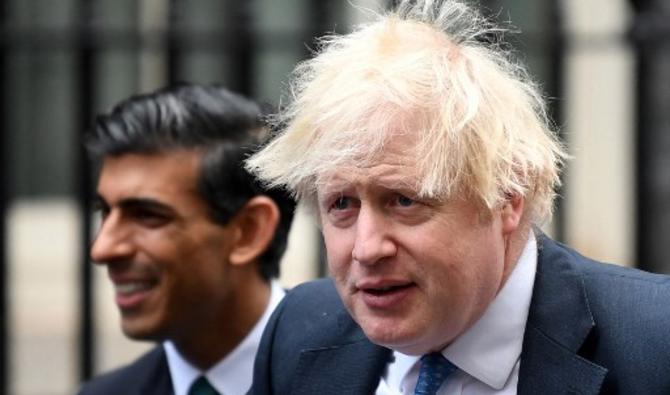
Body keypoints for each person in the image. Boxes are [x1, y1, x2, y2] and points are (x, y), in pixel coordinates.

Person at [244, 0, 670, 394]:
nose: (367, 248)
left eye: (404, 201)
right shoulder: (298, 332)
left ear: (507, 196)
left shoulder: (654, 343)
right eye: (342, 204)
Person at [78, 83, 295, 395]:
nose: (102, 249)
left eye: (146, 215)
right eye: (105, 211)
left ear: (249, 231)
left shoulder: (369, 372)